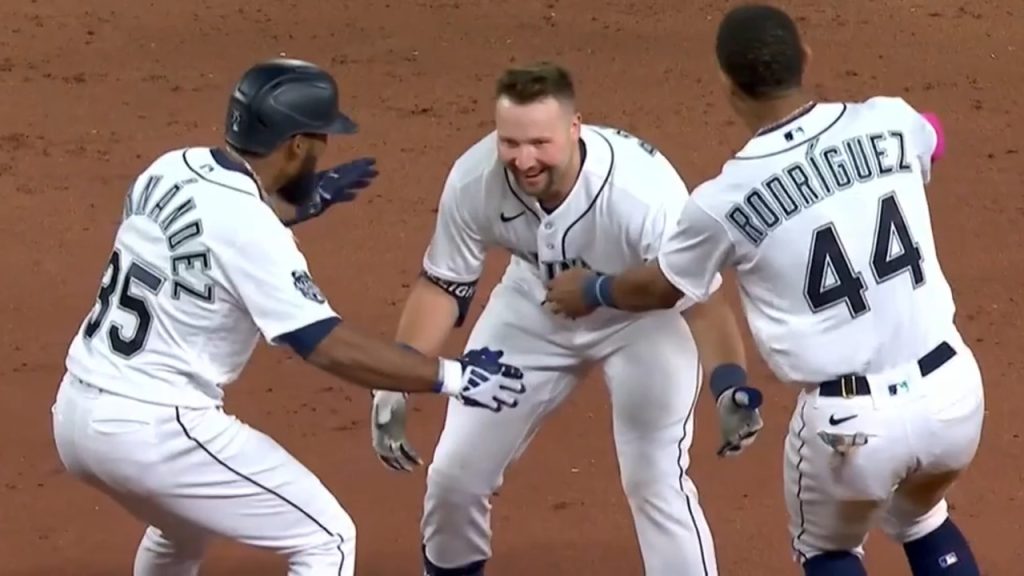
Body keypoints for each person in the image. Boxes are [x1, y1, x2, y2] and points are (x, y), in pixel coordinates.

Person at [543, 5, 984, 576]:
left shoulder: (724, 199)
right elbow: (936, 138)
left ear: (727, 84)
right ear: (805, 59)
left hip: (851, 427)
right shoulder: (890, 119)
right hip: (952, 396)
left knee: (828, 549)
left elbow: (660, 287)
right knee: (922, 517)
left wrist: (594, 288)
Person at [50, 57, 526, 576]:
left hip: (76, 414)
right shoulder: (257, 234)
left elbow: (203, 235)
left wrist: (290, 208)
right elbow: (325, 343)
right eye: (322, 139)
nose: (325, 151)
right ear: (298, 144)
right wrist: (452, 375)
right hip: (156, 429)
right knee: (327, 539)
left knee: (182, 525)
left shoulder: (167, 168)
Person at [368, 61, 764, 576]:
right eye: (509, 142)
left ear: (575, 128)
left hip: (642, 316)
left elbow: (700, 301)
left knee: (655, 478)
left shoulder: (641, 193)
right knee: (453, 477)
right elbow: (442, 285)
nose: (523, 159)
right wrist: (395, 378)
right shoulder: (475, 180)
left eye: (539, 143)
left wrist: (729, 383)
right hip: (533, 308)